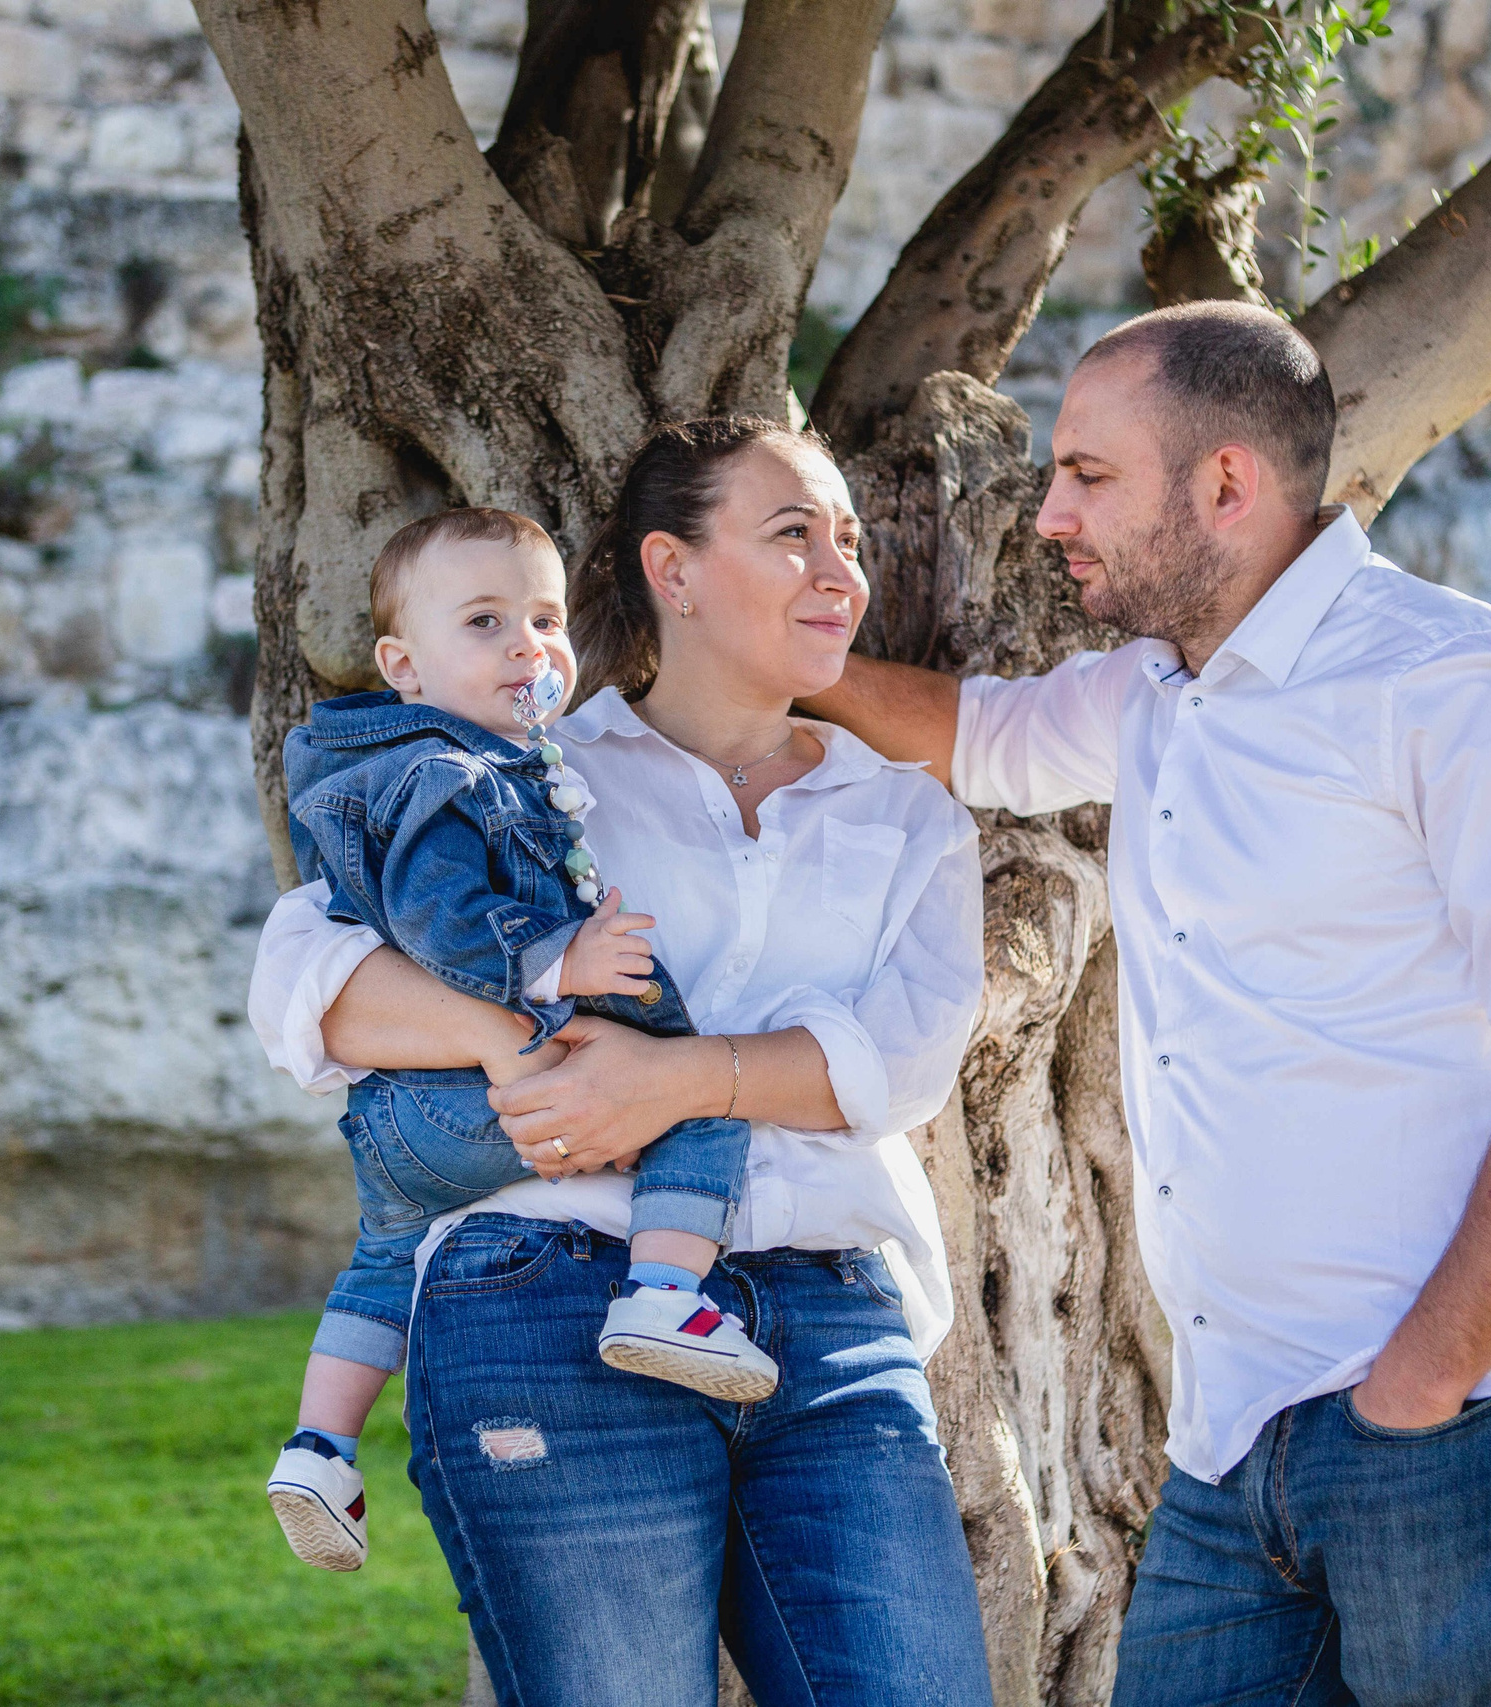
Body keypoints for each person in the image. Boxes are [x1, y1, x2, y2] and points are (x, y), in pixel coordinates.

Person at [804, 300, 1491, 1706]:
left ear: (1226, 481)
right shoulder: (1155, 694)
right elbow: (977, 735)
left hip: (1471, 1420)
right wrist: (766, 664)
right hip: (1230, 1452)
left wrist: (1420, 1384)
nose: (1049, 515)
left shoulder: (1456, 684)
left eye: (1089, 473)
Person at [248, 416, 996, 1705]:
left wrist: (673, 1082)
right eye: (792, 535)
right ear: (674, 567)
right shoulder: (526, 769)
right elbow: (309, 983)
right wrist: (519, 1045)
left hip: (832, 1324)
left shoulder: (904, 810)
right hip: (544, 1291)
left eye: (850, 542)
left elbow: (903, 1065)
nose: (841, 573)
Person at [263, 506, 779, 1576]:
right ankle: (666, 1295)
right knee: (697, 1093)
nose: (527, 646)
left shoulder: (447, 764)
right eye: (486, 623)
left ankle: (319, 1446)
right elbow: (445, 929)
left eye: (544, 619)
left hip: (403, 1123)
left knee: (382, 1259)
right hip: (472, 1092)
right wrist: (561, 964)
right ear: (403, 666)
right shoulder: (442, 776)